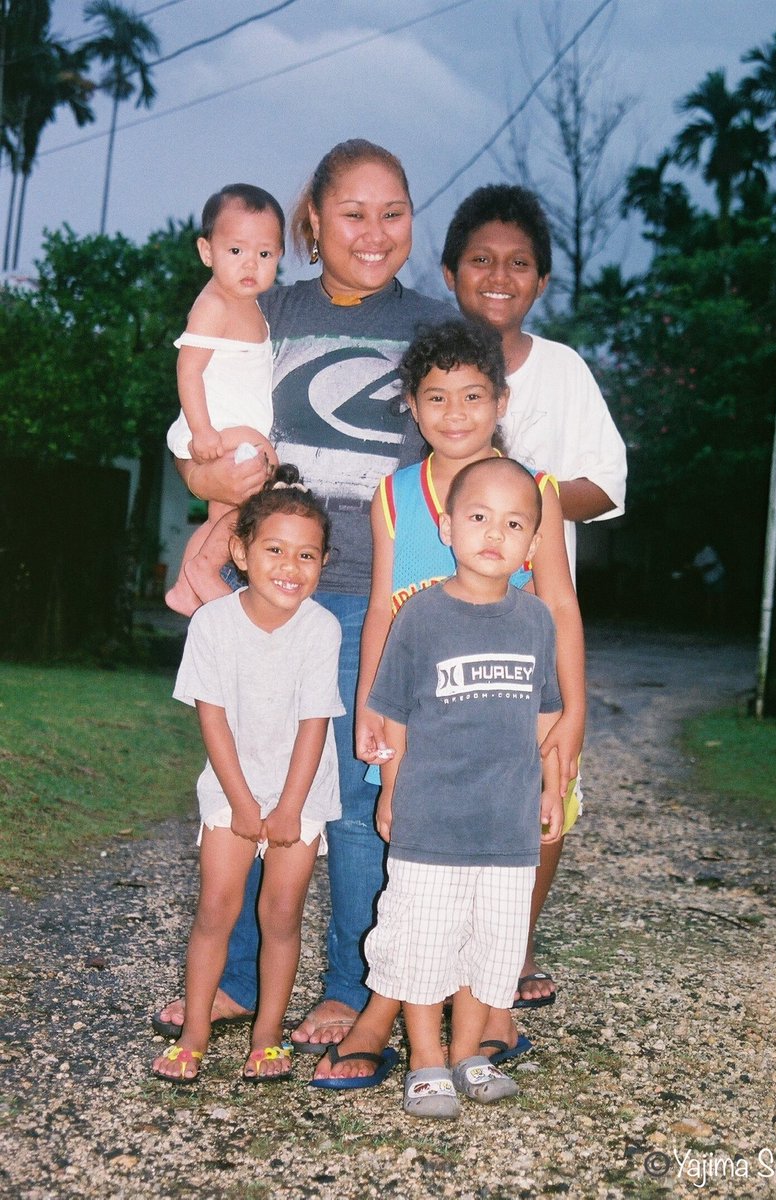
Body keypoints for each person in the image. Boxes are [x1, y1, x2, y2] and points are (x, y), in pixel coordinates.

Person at [152, 139, 456, 1051]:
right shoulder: (264, 307)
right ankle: (237, 982)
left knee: (358, 799)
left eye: (393, 212)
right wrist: (207, 473)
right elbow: (195, 433)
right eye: (352, 213)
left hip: (377, 597)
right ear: (312, 221)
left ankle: (350, 988)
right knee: (246, 783)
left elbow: (466, 460)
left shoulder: (436, 326)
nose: (374, 231)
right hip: (266, 596)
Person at [312, 319, 584, 1089]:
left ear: (500, 401)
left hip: (508, 724)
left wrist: (573, 715)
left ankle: (480, 1014)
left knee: (492, 880)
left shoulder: (535, 491)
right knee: (416, 881)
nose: (455, 413)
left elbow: (560, 606)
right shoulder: (395, 496)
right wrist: (370, 704)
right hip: (424, 727)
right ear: (411, 404)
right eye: (436, 397)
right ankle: (387, 1015)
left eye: (472, 396)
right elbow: (381, 608)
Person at [441, 183, 627, 1009]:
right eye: (480, 259)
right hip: (440, 613)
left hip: (535, 615)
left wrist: (525, 494)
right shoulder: (431, 364)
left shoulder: (562, 370)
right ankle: (430, 949)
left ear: (541, 281)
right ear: (450, 272)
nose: (498, 276)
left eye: (518, 263)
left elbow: (607, 483)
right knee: (444, 779)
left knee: (545, 777)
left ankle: (510, 951)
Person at [363, 455, 565, 1119]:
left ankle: (468, 1055)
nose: (494, 533)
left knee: (492, 950)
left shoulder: (535, 620)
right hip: (432, 823)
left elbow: (545, 713)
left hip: (507, 828)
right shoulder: (421, 616)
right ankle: (425, 1061)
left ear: (533, 544)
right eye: (478, 517)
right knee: (423, 946)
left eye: (514, 523)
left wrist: (548, 787)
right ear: (448, 528)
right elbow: (393, 715)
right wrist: (390, 789)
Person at [151, 466, 344, 1084]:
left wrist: (288, 808)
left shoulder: (322, 628)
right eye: (275, 550)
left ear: (323, 562)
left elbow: (314, 725)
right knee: (216, 909)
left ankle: (267, 1036)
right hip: (230, 787)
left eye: (306, 555)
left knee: (281, 916)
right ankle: (195, 1032)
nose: (291, 566)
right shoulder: (213, 623)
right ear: (241, 552)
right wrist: (240, 802)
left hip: (300, 792)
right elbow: (212, 720)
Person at [164, 183, 284, 617]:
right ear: (207, 251)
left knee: (223, 517)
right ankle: (202, 572)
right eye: (236, 250)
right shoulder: (214, 304)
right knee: (255, 502)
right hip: (220, 430)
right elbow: (189, 369)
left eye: (264, 254)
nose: (250, 263)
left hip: (230, 427)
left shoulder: (251, 305)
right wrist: (202, 432)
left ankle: (186, 586)